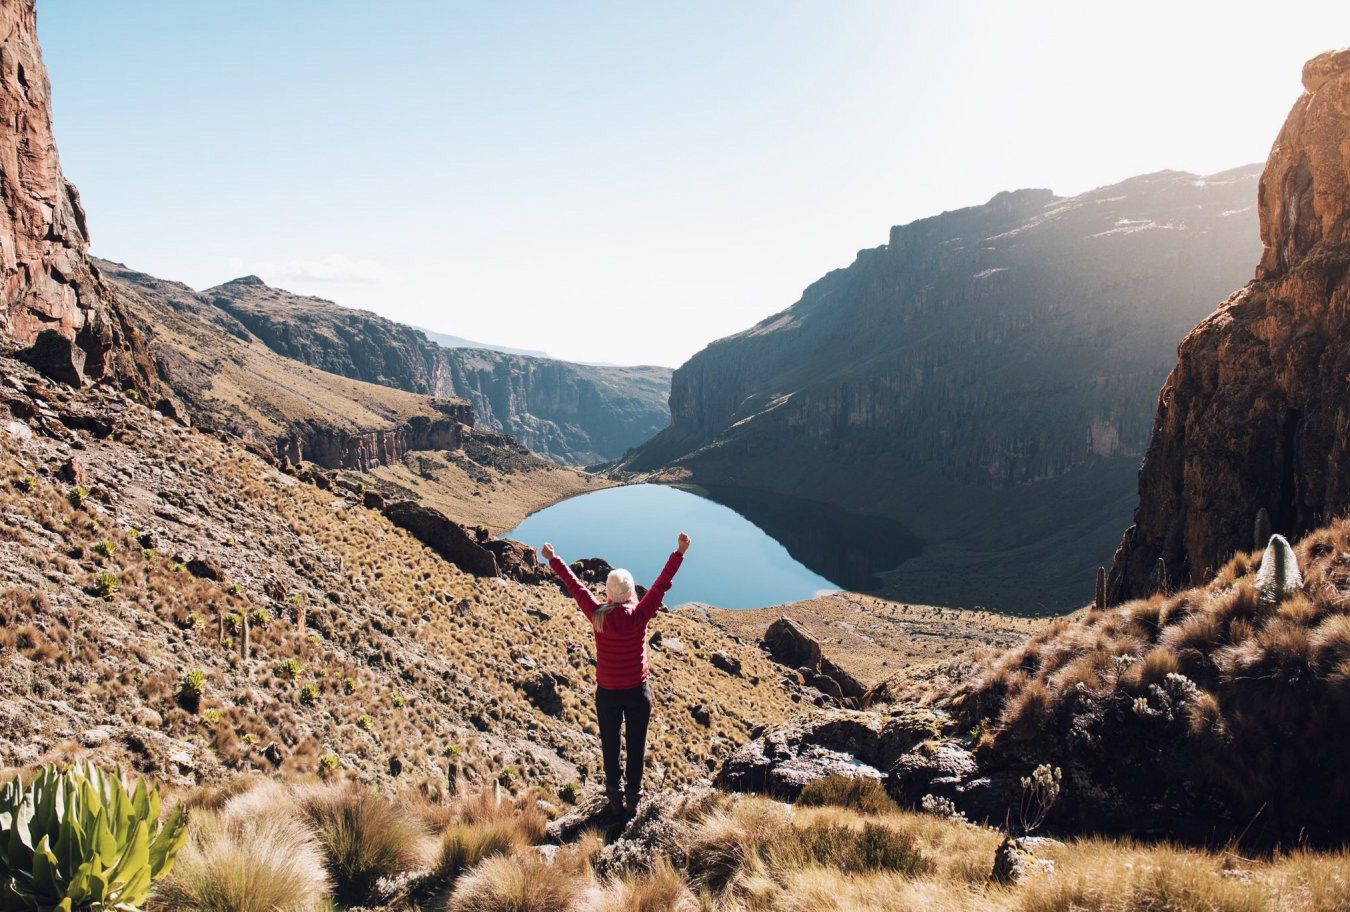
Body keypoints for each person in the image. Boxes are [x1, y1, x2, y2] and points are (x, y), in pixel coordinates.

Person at [542, 532, 690, 814]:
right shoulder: (640, 614)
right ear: (631, 593)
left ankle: (614, 798)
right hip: (637, 691)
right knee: (636, 746)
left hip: (607, 693)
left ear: (608, 594)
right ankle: (633, 800)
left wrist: (554, 559)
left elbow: (575, 586)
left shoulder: (597, 614)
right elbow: (661, 586)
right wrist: (679, 553)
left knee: (610, 744)